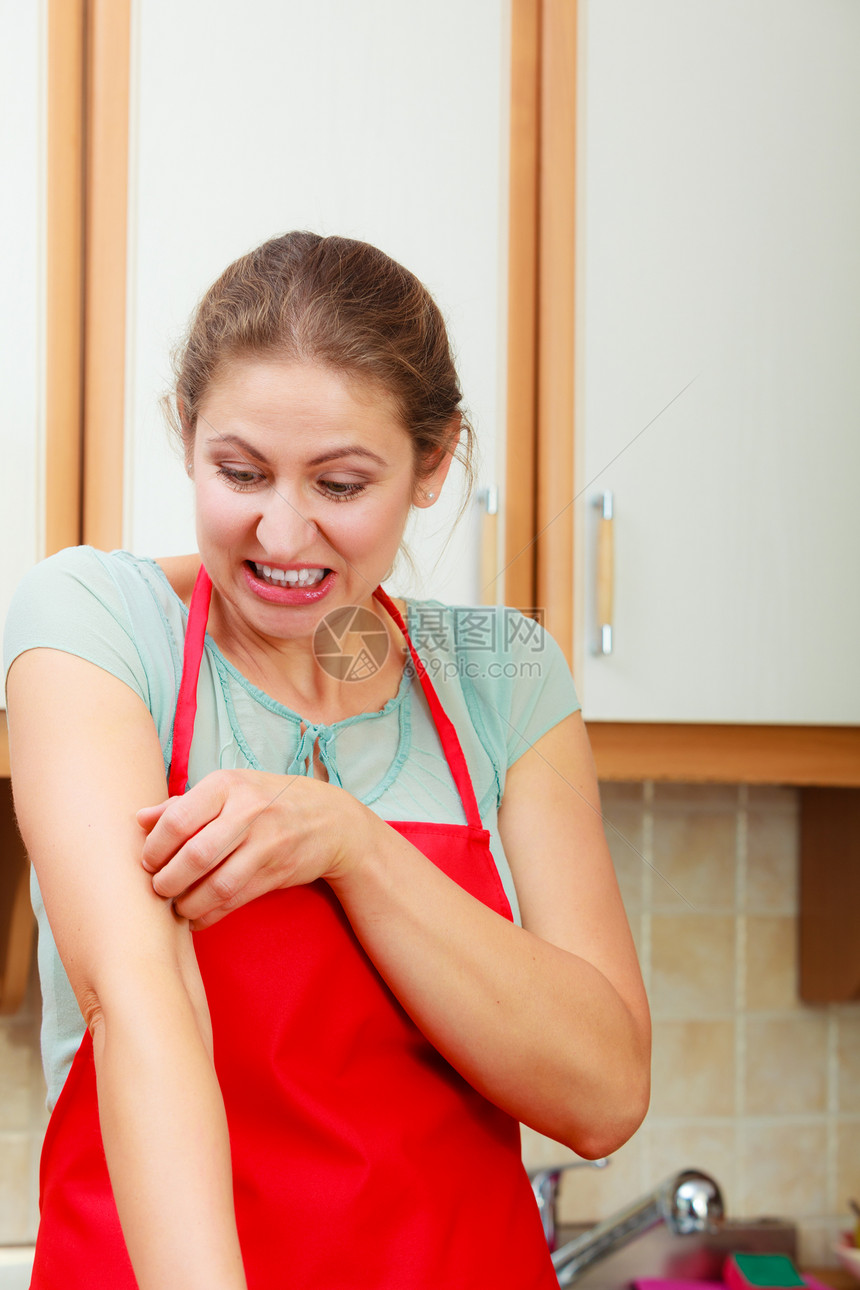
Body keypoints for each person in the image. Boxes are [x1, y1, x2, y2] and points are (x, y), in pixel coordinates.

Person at [4, 232, 650, 1290]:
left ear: (433, 465)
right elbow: (139, 997)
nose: (282, 531)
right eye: (239, 471)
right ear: (186, 434)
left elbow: (603, 1094)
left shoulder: (501, 677)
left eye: (341, 484)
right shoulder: (96, 626)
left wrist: (353, 847)